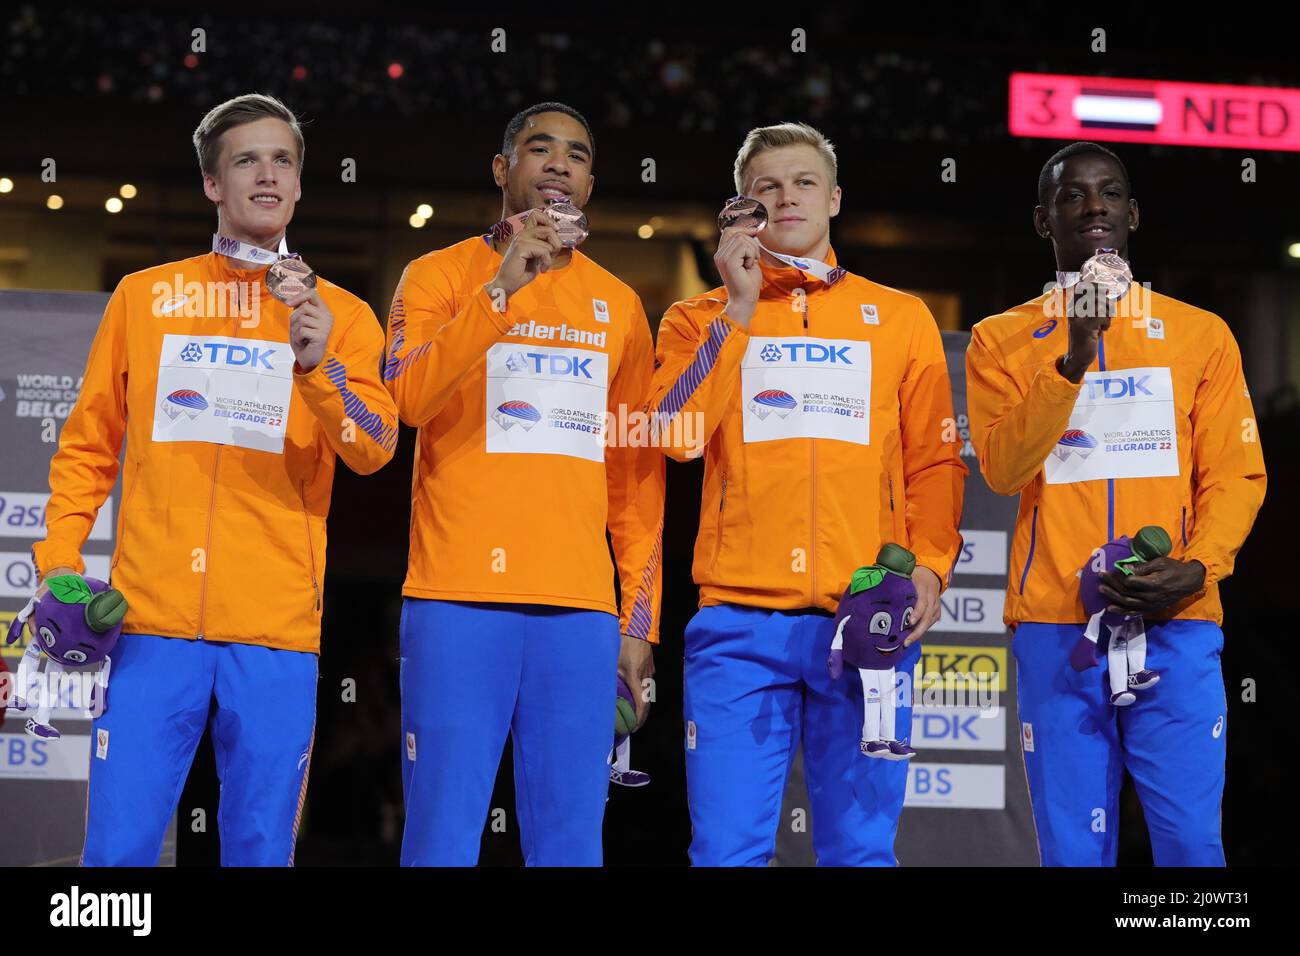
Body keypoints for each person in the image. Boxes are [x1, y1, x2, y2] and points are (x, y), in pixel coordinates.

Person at [30, 93, 398, 865]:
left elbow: (374, 448)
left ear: (299, 185)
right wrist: (58, 564)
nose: (268, 175)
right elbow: (90, 446)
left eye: (283, 160)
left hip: (275, 632)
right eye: (247, 159)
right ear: (212, 184)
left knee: (261, 850)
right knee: (117, 854)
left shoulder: (344, 317)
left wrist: (317, 366)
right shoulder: (145, 296)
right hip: (150, 626)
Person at [644, 122, 966, 865]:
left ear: (835, 198)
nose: (787, 197)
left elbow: (936, 463)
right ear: (743, 207)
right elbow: (674, 434)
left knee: (860, 853)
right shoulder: (697, 319)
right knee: (726, 852)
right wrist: (739, 309)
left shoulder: (902, 318)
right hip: (738, 624)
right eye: (767, 187)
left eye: (803, 182)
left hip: (866, 619)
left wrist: (928, 568)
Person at [965, 141, 1267, 866]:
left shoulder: (1202, 335)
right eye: (1072, 195)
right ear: (1045, 220)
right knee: (1073, 851)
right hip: (1057, 630)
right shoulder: (1000, 339)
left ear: (1132, 213)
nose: (1093, 206)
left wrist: (1200, 567)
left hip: (1178, 623)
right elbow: (1004, 470)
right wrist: (1072, 356)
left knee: (1193, 845)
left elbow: (1235, 476)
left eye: (1109, 193)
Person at [384, 102, 665, 866]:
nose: (558, 164)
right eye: (539, 150)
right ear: (503, 170)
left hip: (578, 613)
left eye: (575, 155)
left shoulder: (620, 307)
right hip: (455, 597)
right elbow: (408, 400)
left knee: (571, 844)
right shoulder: (438, 275)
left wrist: (637, 623)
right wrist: (501, 292)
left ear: (590, 182)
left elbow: (636, 480)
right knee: (441, 837)